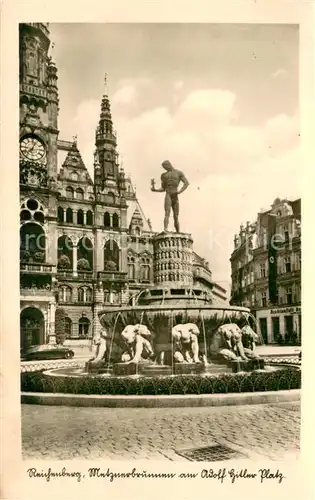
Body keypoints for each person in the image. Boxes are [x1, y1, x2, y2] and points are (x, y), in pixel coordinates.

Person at [151, 160, 189, 233]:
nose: (165, 168)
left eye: (165, 167)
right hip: (168, 193)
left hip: (175, 194)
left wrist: (180, 191)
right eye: (164, 167)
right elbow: (163, 188)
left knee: (176, 215)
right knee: (167, 212)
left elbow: (186, 183)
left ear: (169, 165)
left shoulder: (178, 173)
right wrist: (155, 189)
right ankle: (165, 229)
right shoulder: (164, 176)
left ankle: (178, 231)